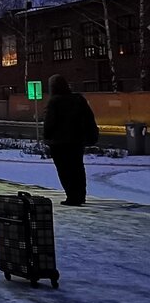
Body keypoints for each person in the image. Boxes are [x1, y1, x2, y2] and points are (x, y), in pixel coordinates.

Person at [43, 74, 99, 206]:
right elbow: (89, 118)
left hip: (59, 143)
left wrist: (46, 137)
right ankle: (80, 195)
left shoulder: (54, 101)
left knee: (64, 170)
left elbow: (49, 123)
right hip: (76, 141)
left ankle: (72, 196)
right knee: (78, 168)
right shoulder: (78, 99)